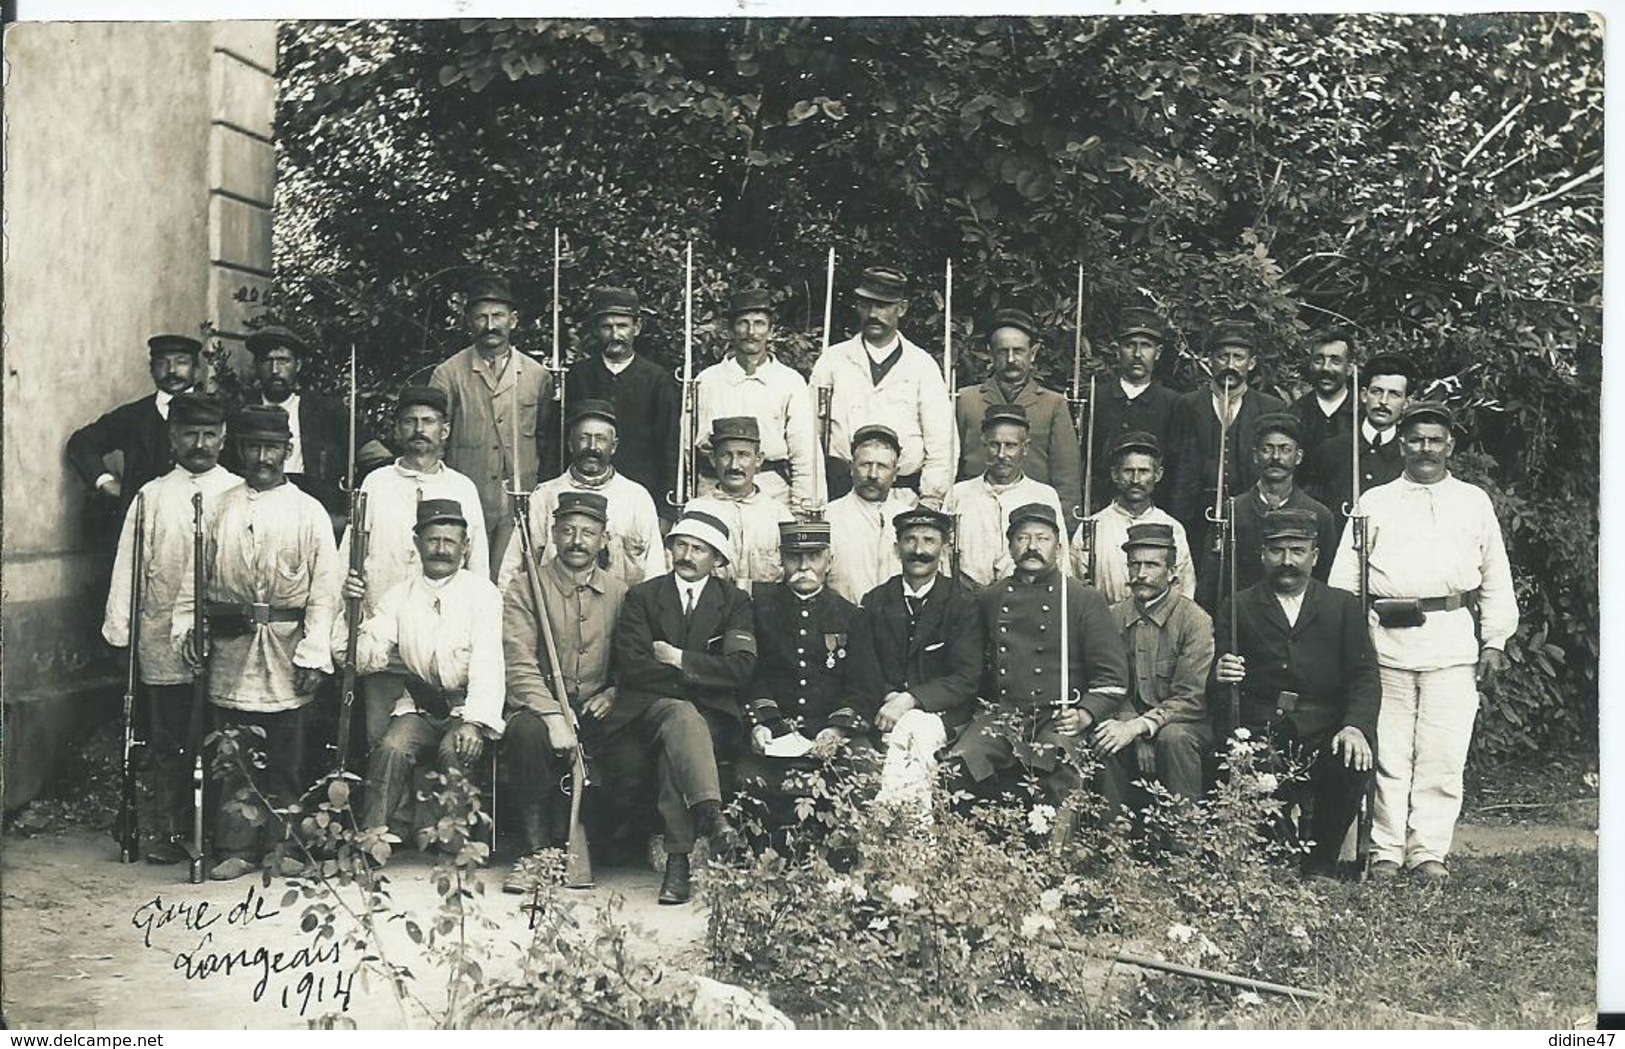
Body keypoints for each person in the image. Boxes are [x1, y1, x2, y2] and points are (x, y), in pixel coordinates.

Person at [1327, 401, 1516, 881]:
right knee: (1388, 750)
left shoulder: (1473, 501)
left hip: (1452, 641)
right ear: (1402, 444)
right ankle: (1387, 849)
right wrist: (1350, 644)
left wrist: (1494, 639)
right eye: (1415, 440)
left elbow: (1495, 574)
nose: (1425, 449)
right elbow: (1345, 581)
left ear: (1450, 445)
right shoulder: (1374, 503)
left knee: (1442, 752)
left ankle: (1428, 850)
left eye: (1434, 440)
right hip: (1385, 641)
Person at [173, 404, 342, 881]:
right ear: (239, 449)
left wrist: (314, 650)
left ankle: (281, 846)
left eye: (271, 447)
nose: (262, 456)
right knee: (231, 752)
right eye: (252, 446)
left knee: (286, 755)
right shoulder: (220, 507)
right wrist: (191, 627)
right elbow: (196, 578)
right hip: (232, 646)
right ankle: (235, 847)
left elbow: (325, 589)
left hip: (288, 647)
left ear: (288, 451)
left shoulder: (309, 512)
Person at [101, 393, 242, 863]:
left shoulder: (238, 493)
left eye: (209, 434)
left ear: (223, 437)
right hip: (161, 635)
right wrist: (121, 633)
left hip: (221, 640)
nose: (200, 444)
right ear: (173, 437)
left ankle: (218, 833)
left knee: (220, 735)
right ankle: (170, 829)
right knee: (168, 738)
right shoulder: (151, 496)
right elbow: (128, 569)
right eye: (189, 434)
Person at [1213, 508, 1380, 880]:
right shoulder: (1238, 606)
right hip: (1264, 724)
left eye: (1297, 550)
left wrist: (1356, 726)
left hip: (1326, 724)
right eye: (1277, 550)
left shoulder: (1342, 606)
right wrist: (1222, 674)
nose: (1287, 561)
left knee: (1351, 760)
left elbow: (1364, 674)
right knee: (1247, 767)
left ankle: (1320, 864)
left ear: (1315, 555)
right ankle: (1273, 859)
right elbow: (1220, 684)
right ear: (1262, 554)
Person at [946, 503, 1131, 830]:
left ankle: (1053, 863)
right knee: (961, 762)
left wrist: (1085, 714)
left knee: (1059, 762)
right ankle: (975, 851)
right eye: (1022, 538)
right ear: (1010, 546)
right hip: (1005, 714)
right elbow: (974, 669)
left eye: (1042, 538)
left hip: (1059, 713)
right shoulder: (990, 598)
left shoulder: (1082, 598)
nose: (1032, 546)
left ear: (1058, 547)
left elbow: (1112, 676)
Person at [342, 499, 506, 845]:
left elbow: (488, 664)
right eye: (433, 540)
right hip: (421, 707)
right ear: (417, 544)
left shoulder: (483, 595)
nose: (441, 549)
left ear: (465, 547)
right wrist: (352, 615)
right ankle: (371, 841)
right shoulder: (398, 596)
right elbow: (367, 657)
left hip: (465, 707)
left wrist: (475, 722)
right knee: (392, 748)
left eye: (450, 541)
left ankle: (457, 847)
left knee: (455, 750)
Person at [614, 509, 756, 903]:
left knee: (678, 741)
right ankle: (711, 816)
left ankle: (678, 864)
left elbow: (741, 668)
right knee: (681, 717)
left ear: (718, 560)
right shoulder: (643, 597)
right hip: (650, 709)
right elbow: (635, 667)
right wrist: (704, 677)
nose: (687, 555)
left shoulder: (734, 602)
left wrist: (678, 659)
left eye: (699, 549)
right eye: (681, 545)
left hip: (711, 717)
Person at [339, 386, 488, 746]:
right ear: (398, 429)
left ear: (445, 430)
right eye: (410, 421)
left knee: (443, 750)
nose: (419, 429)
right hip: (385, 645)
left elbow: (478, 569)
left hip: (443, 649)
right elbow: (348, 561)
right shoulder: (375, 485)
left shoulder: (462, 488)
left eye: (429, 421)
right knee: (384, 745)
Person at [500, 491, 628, 891]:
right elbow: (518, 662)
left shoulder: (621, 593)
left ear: (604, 538)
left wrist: (613, 692)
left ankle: (591, 842)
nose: (577, 540)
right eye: (568, 530)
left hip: (597, 710)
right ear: (553, 533)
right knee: (525, 736)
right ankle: (534, 852)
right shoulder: (525, 588)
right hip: (540, 710)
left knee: (632, 752)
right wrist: (552, 714)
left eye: (588, 532)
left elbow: (633, 662)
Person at [846, 507, 983, 813]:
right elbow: (863, 668)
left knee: (915, 731)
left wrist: (909, 700)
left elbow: (966, 677)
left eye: (929, 541)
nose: (919, 550)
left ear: (943, 548)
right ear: (896, 548)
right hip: (882, 709)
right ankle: (914, 843)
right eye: (910, 540)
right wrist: (888, 696)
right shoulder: (876, 601)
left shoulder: (963, 603)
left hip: (942, 714)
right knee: (909, 735)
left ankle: (895, 827)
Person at [738, 520, 872, 803]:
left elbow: (863, 685)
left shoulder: (851, 616)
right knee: (748, 781)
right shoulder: (757, 611)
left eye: (813, 556)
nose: (803, 566)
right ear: (780, 559)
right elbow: (750, 675)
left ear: (829, 560)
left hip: (831, 727)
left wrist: (836, 730)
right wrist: (760, 724)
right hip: (774, 729)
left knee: (863, 770)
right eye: (793, 557)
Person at [429, 272, 554, 572]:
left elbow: (547, 442)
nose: (490, 325)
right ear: (469, 322)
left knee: (512, 583)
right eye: (481, 317)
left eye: (498, 316)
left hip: (519, 506)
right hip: (467, 502)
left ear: (513, 319)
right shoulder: (448, 375)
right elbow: (435, 445)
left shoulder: (538, 376)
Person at [809, 266, 955, 508]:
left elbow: (942, 441)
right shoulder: (833, 361)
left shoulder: (921, 365)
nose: (872, 314)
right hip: (842, 495)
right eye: (866, 305)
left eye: (882, 306)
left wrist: (931, 497)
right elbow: (812, 436)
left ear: (902, 308)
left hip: (903, 497)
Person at [1096, 523, 1215, 803]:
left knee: (1173, 739)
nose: (1141, 574)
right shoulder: (1113, 616)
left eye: (1152, 565)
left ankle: (1183, 840)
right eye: (1134, 565)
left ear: (1172, 572)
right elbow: (1109, 682)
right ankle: (1113, 837)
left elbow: (1190, 699)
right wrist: (1129, 728)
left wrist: (1141, 727)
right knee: (1103, 735)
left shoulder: (1195, 620)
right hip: (1127, 720)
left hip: (1185, 724)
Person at [495, 398, 664, 591]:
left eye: (601, 439)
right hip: (556, 612)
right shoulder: (545, 496)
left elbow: (655, 572)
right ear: (570, 444)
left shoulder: (637, 498)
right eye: (584, 438)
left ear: (614, 446)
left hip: (623, 613)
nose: (592, 447)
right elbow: (513, 569)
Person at [1167, 320, 1289, 567]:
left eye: (1239, 358)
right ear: (1209, 360)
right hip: (1196, 518)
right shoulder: (1187, 405)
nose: (1230, 365)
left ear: (1251, 363)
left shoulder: (1270, 408)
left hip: (1251, 515)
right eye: (1223, 357)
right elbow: (1174, 465)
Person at [561, 286, 682, 526]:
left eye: (622, 326)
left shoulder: (657, 379)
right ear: (597, 330)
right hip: (583, 496)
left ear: (636, 328)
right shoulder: (579, 376)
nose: (615, 334)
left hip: (640, 498)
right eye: (607, 327)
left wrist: (666, 512)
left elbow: (670, 447)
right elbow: (562, 443)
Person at [953, 307, 1083, 530]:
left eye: (1018, 351)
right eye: (1003, 351)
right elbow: (951, 465)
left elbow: (1067, 477)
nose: (1011, 359)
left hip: (1034, 520)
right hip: (977, 516)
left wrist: (1062, 529)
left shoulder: (1053, 404)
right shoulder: (966, 400)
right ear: (990, 354)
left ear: (1032, 353)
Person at [694, 288, 821, 513]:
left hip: (772, 492)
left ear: (770, 331)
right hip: (714, 493)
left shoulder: (790, 382)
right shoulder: (707, 381)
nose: (751, 332)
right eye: (743, 323)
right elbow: (688, 449)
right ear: (731, 330)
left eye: (760, 323)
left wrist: (803, 510)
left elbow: (805, 455)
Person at [68, 333, 202, 523]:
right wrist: (106, 482)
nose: (172, 370)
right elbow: (82, 442)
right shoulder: (133, 416)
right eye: (162, 363)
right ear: (151, 369)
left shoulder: (220, 414)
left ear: (196, 369)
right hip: (142, 522)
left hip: (199, 523)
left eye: (181, 362)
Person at [226, 324, 347, 531]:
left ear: (297, 365)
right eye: (267, 361)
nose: (275, 370)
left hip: (315, 511)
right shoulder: (238, 413)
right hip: (252, 510)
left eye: (283, 361)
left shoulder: (326, 411)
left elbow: (370, 453)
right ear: (256, 365)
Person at [943, 404, 1065, 591]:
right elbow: (943, 557)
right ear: (984, 445)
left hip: (1027, 599)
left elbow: (1061, 561)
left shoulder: (1044, 496)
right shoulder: (959, 494)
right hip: (966, 601)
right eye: (994, 445)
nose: (1001, 454)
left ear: (1025, 448)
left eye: (1011, 446)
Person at [1069, 431, 1197, 605]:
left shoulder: (1173, 528)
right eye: (1128, 471)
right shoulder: (1092, 528)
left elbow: (1185, 592)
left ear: (1157, 475)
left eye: (1144, 471)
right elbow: (1075, 589)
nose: (1136, 479)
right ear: (1115, 475)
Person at [1226, 412, 1338, 596]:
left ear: (1299, 456)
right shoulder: (1233, 510)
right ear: (1255, 455)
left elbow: (1326, 581)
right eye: (1267, 449)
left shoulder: (1319, 514)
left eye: (1285, 449)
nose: (1276, 457)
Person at [1302, 352, 1412, 528]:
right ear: (1363, 395)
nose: (1383, 401)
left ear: (1406, 403)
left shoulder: (1409, 457)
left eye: (1394, 394)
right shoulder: (1331, 450)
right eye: (1376, 392)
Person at [687, 416, 796, 593]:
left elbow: (792, 576)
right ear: (713, 459)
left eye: (743, 455)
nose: (734, 465)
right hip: (715, 613)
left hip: (765, 613)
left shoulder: (779, 515)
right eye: (725, 455)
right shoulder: (697, 511)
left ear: (759, 459)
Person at [1088, 308, 1182, 512]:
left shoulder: (1173, 404)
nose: (1138, 354)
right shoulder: (1096, 398)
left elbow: (1178, 469)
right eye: (1130, 346)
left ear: (1157, 353)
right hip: (1101, 509)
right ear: (1117, 350)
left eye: (1146, 346)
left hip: (1153, 512)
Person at [824, 424, 917, 604]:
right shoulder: (829, 517)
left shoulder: (909, 519)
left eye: (882, 467)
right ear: (851, 467)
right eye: (866, 465)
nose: (873, 475)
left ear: (896, 473)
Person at [1288, 328, 1357, 456]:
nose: (1326, 368)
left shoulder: (1362, 412)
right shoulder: (1295, 414)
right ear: (1310, 365)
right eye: (1318, 360)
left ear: (1349, 368)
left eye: (1335, 361)